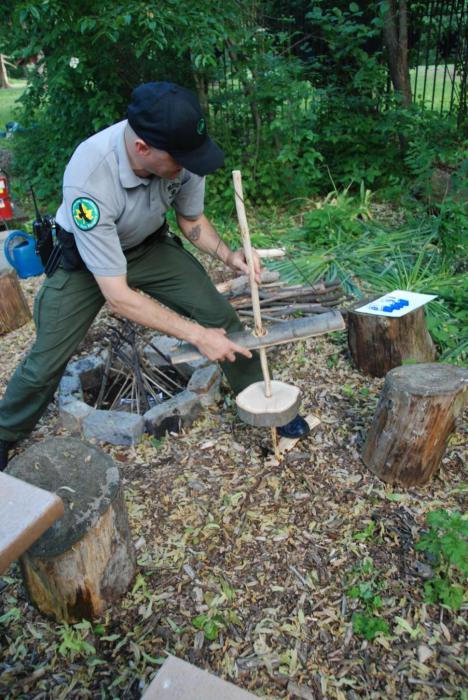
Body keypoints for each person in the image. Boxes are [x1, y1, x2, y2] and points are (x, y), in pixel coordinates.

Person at [0, 81, 309, 470]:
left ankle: (263, 404)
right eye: (180, 159)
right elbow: (117, 295)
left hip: (148, 246)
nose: (188, 165)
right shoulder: (91, 174)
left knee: (220, 317)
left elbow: (191, 220)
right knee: (46, 360)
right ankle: (5, 432)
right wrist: (196, 336)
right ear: (142, 148)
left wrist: (230, 255)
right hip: (85, 263)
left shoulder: (182, 153)